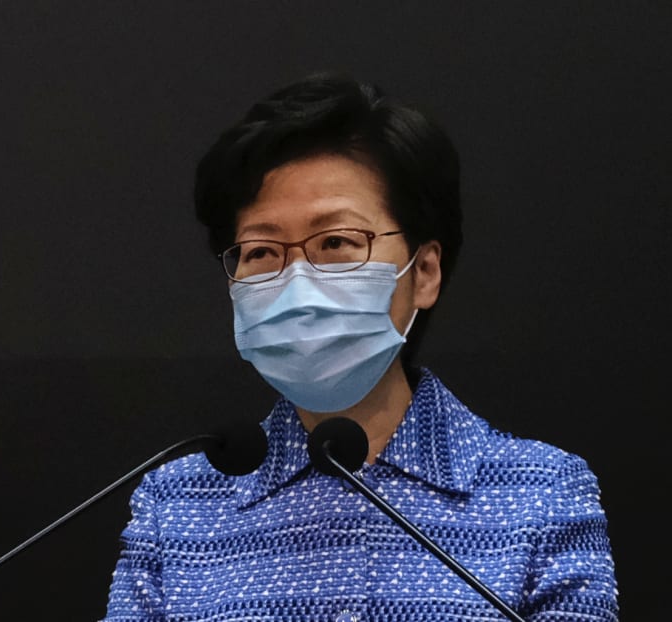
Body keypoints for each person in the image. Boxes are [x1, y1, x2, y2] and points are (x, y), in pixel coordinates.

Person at [100, 72, 619, 621]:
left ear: (424, 271)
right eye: (261, 252)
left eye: (336, 242)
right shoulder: (175, 506)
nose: (297, 284)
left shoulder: (540, 493)